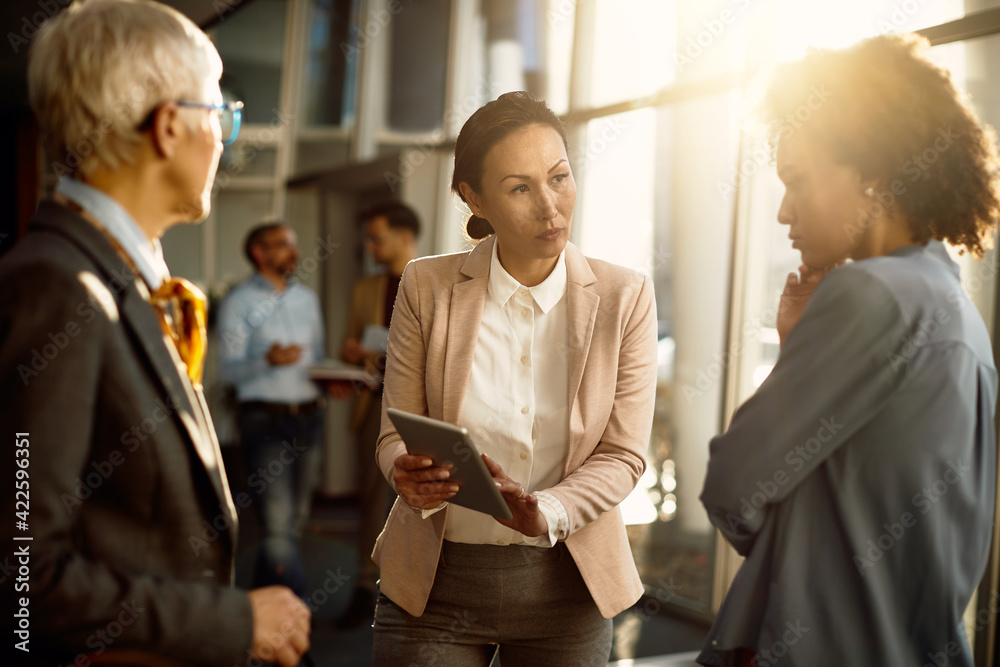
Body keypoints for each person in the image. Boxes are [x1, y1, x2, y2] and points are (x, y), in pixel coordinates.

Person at [0, 2, 310, 666]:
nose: (224, 137)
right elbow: (21, 577)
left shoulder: (116, 278)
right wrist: (232, 620)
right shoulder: (59, 287)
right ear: (169, 126)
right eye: (220, 112)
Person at [698, 34, 999, 666]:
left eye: (797, 181)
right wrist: (801, 345)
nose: (783, 212)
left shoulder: (871, 294)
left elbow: (731, 489)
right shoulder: (955, 311)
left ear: (871, 172)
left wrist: (794, 356)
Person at [370, 91, 658, 666]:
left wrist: (546, 510)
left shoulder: (625, 297)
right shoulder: (426, 287)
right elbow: (394, 434)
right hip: (434, 583)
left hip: (568, 587)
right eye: (520, 188)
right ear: (473, 197)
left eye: (559, 178)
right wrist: (404, 470)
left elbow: (623, 454)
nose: (550, 207)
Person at [217, 222, 326, 599]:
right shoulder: (239, 302)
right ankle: (293, 617)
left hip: (309, 417)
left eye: (293, 244)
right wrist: (267, 360)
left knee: (295, 521)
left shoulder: (307, 299)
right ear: (259, 253)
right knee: (278, 525)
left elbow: (317, 359)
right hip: (265, 422)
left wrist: (334, 379)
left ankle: (259, 607)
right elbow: (227, 370)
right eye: (282, 245)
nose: (294, 252)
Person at [334, 202, 421, 628]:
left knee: (427, 497)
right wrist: (352, 355)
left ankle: (417, 589)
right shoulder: (365, 289)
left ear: (405, 236)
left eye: (376, 238)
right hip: (375, 404)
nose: (369, 246)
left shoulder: (436, 279)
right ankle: (366, 587)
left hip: (426, 411)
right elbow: (349, 346)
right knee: (371, 500)